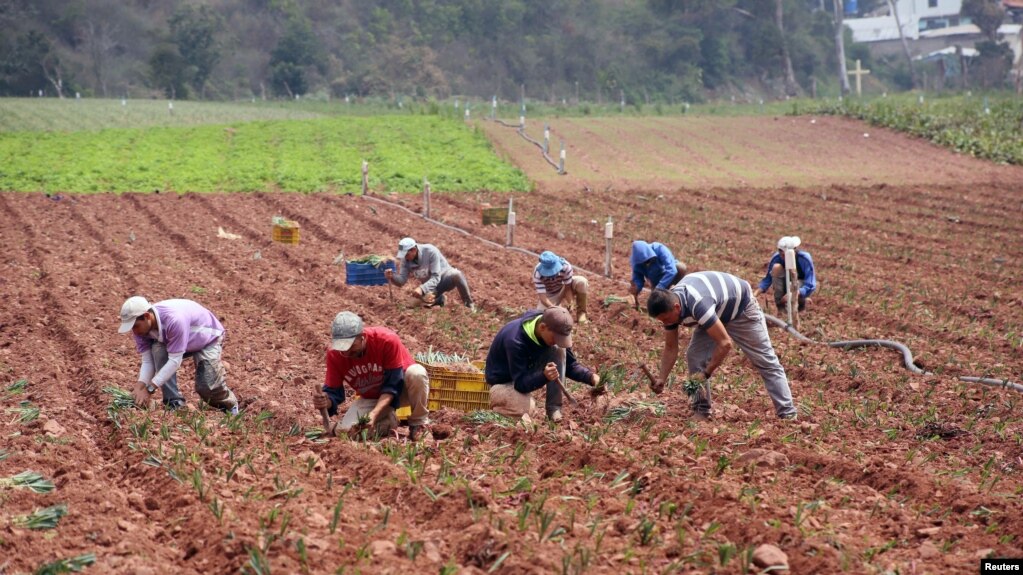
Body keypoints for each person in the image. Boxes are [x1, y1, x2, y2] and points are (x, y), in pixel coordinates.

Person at [645, 272, 797, 420]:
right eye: (661, 320)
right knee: (695, 356)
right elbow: (671, 347)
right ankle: (702, 410)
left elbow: (725, 344)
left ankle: (787, 413)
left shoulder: (698, 304)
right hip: (715, 310)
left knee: (766, 361)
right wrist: (662, 378)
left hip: (741, 310)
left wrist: (706, 373)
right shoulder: (670, 311)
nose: (665, 323)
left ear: (677, 307)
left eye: (666, 319)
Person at [312, 311, 431, 440]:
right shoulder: (334, 354)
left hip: (402, 390)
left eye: (351, 346)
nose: (346, 352)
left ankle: (418, 424)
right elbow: (334, 392)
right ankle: (389, 421)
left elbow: (393, 384)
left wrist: (374, 414)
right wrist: (326, 401)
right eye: (342, 347)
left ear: (363, 337)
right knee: (349, 432)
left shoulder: (386, 340)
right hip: (372, 398)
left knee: (417, 373)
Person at [118, 296, 240, 413]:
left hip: (206, 338)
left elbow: (174, 361)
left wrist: (149, 389)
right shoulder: (141, 329)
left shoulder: (174, 320)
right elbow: (147, 361)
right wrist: (139, 386)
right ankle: (174, 402)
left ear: (146, 316)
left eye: (135, 326)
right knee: (158, 349)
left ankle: (230, 404)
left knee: (207, 386)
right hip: (178, 340)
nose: (134, 331)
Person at [484, 306, 601, 422]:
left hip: (527, 370)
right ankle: (500, 411)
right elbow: (520, 384)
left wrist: (591, 377)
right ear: (542, 327)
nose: (557, 341)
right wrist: (544, 376)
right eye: (555, 338)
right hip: (504, 382)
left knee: (558, 349)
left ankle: (554, 409)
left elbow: (570, 366)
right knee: (523, 408)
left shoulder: (547, 325)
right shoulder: (515, 341)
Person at [385, 237, 476, 312]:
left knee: (456, 274)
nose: (405, 258)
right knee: (411, 305)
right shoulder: (406, 260)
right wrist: (392, 276)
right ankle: (439, 299)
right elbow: (401, 281)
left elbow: (436, 277)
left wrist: (422, 288)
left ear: (413, 250)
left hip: (445, 278)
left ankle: (469, 305)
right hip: (431, 287)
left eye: (406, 254)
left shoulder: (430, 251)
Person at [752, 236, 816, 314]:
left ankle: (801, 306)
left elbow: (811, 284)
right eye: (781, 254)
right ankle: (781, 307)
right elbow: (767, 279)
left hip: (799, 286)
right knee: (776, 268)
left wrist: (795, 293)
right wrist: (754, 294)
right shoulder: (777, 258)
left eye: (786, 254)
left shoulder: (804, 258)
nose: (783, 257)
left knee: (795, 285)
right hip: (786, 284)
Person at [532, 250, 590, 324]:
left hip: (564, 286)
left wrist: (570, 303)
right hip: (550, 293)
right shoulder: (537, 273)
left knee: (582, 281)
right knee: (541, 316)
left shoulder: (566, 266)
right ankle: (557, 309)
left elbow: (568, 288)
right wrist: (555, 308)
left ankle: (582, 314)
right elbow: (543, 297)